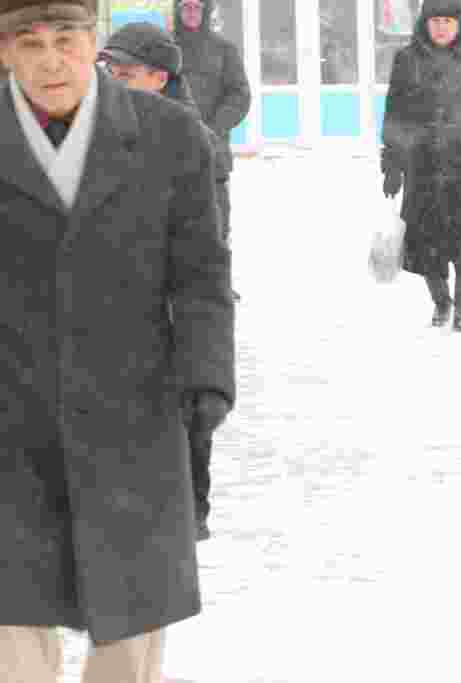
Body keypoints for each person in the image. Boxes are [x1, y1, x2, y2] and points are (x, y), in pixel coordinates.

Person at [0, 0, 234, 679]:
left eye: (66, 38)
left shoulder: (171, 137)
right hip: (12, 410)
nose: (50, 60)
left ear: (93, 40)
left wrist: (205, 375)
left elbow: (201, 273)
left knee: (132, 608)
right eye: (29, 41)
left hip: (133, 404)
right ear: (5, 50)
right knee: (13, 608)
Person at [98, 20, 227, 542]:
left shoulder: (186, 137)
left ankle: (192, 505)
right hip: (115, 300)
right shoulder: (100, 127)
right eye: (108, 71)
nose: (113, 82)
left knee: (189, 411)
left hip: (172, 299)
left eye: (125, 74)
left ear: (159, 78)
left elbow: (207, 242)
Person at [381, 0, 461, 332]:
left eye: (448, 20)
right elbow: (395, 114)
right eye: (435, 20)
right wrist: (392, 161)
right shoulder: (407, 60)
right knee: (424, 244)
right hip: (422, 168)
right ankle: (441, 303)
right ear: (424, 23)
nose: (441, 27)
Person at [174, 0, 250, 245]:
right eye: (186, 7)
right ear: (178, 10)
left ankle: (218, 282)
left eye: (197, 7)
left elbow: (240, 95)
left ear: (206, 10)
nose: (192, 13)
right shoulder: (164, 48)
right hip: (172, 151)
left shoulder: (224, 49)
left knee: (216, 229)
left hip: (213, 153)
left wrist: (214, 128)